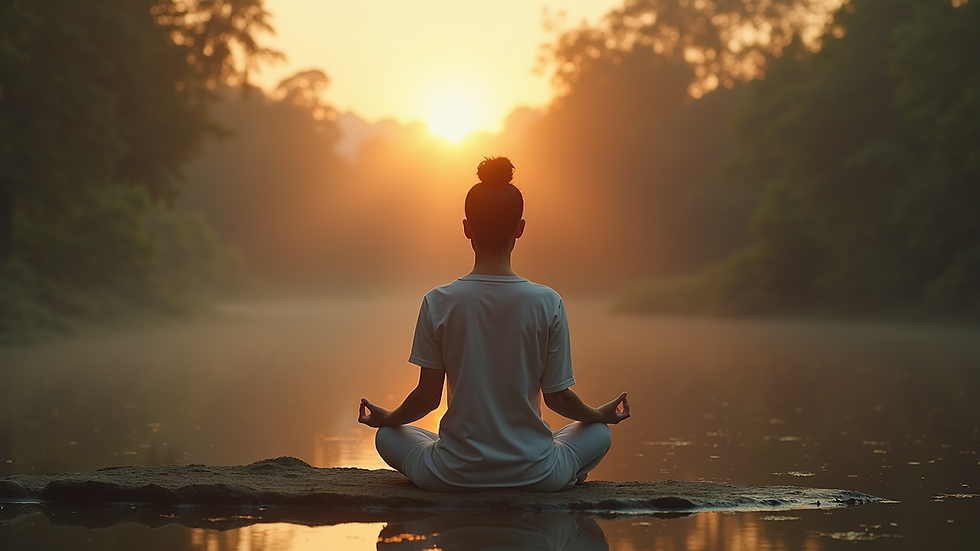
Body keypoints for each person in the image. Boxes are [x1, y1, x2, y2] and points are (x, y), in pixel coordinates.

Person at [357, 156, 630, 492]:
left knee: (388, 436)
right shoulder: (548, 302)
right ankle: (567, 474)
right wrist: (599, 413)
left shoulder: (438, 301)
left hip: (452, 475)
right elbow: (558, 399)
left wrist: (385, 419)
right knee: (599, 431)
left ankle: (451, 461)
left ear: (467, 228)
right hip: (537, 475)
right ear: (520, 228)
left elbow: (427, 399)